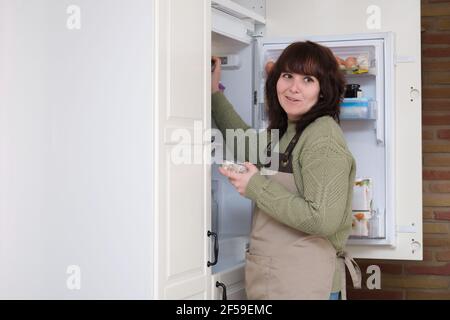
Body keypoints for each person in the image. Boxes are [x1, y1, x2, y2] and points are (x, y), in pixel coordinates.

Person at [211, 41, 361, 300]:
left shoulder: (322, 138)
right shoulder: (288, 130)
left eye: (307, 80)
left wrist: (256, 187)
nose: (293, 88)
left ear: (323, 90)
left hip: (307, 283)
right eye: (287, 76)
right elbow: (245, 144)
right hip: (278, 279)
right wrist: (214, 92)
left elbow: (322, 219)